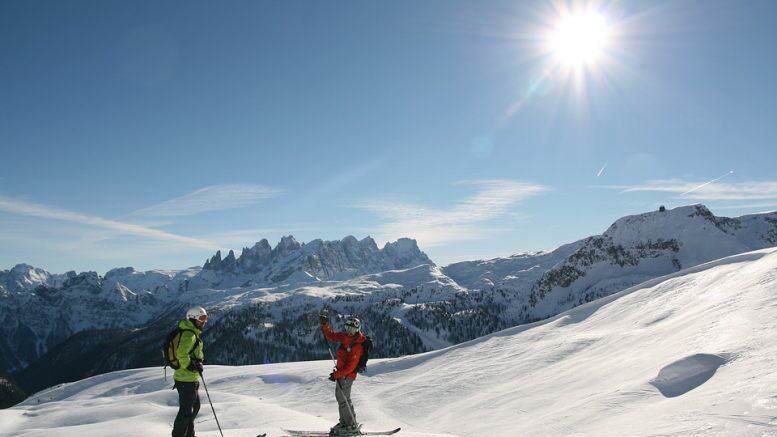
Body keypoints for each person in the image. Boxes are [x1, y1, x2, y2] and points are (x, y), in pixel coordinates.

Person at [320, 314, 367, 436]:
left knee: (344, 399)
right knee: (341, 398)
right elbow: (331, 336)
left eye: (352, 329)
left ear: (358, 329)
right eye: (348, 328)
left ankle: (350, 425)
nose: (349, 332)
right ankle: (345, 423)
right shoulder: (346, 337)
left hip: (347, 376)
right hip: (341, 374)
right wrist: (325, 325)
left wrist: (337, 374)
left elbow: (351, 367)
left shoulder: (357, 345)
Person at [172, 307, 207, 437]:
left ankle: (189, 435)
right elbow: (181, 354)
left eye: (205, 319)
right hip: (186, 379)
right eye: (201, 319)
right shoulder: (189, 334)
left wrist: (196, 363)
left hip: (189, 378)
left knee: (194, 407)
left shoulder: (192, 332)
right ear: (192, 319)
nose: (204, 322)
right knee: (186, 411)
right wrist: (192, 366)